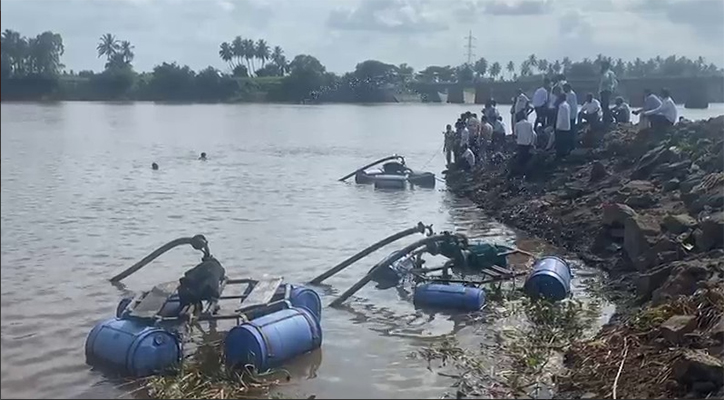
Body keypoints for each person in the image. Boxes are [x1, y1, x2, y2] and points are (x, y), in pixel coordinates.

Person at [599, 60, 618, 126]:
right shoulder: (603, 72)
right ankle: (606, 118)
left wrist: (611, 87)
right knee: (603, 105)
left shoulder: (609, 73)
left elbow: (611, 81)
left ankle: (609, 119)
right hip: (602, 90)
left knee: (605, 105)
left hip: (606, 90)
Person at [555, 92, 572, 158]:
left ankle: (559, 156)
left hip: (561, 127)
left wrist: (558, 126)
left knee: (560, 143)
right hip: (567, 126)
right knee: (565, 142)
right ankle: (564, 155)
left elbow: (561, 118)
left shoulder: (561, 106)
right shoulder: (567, 105)